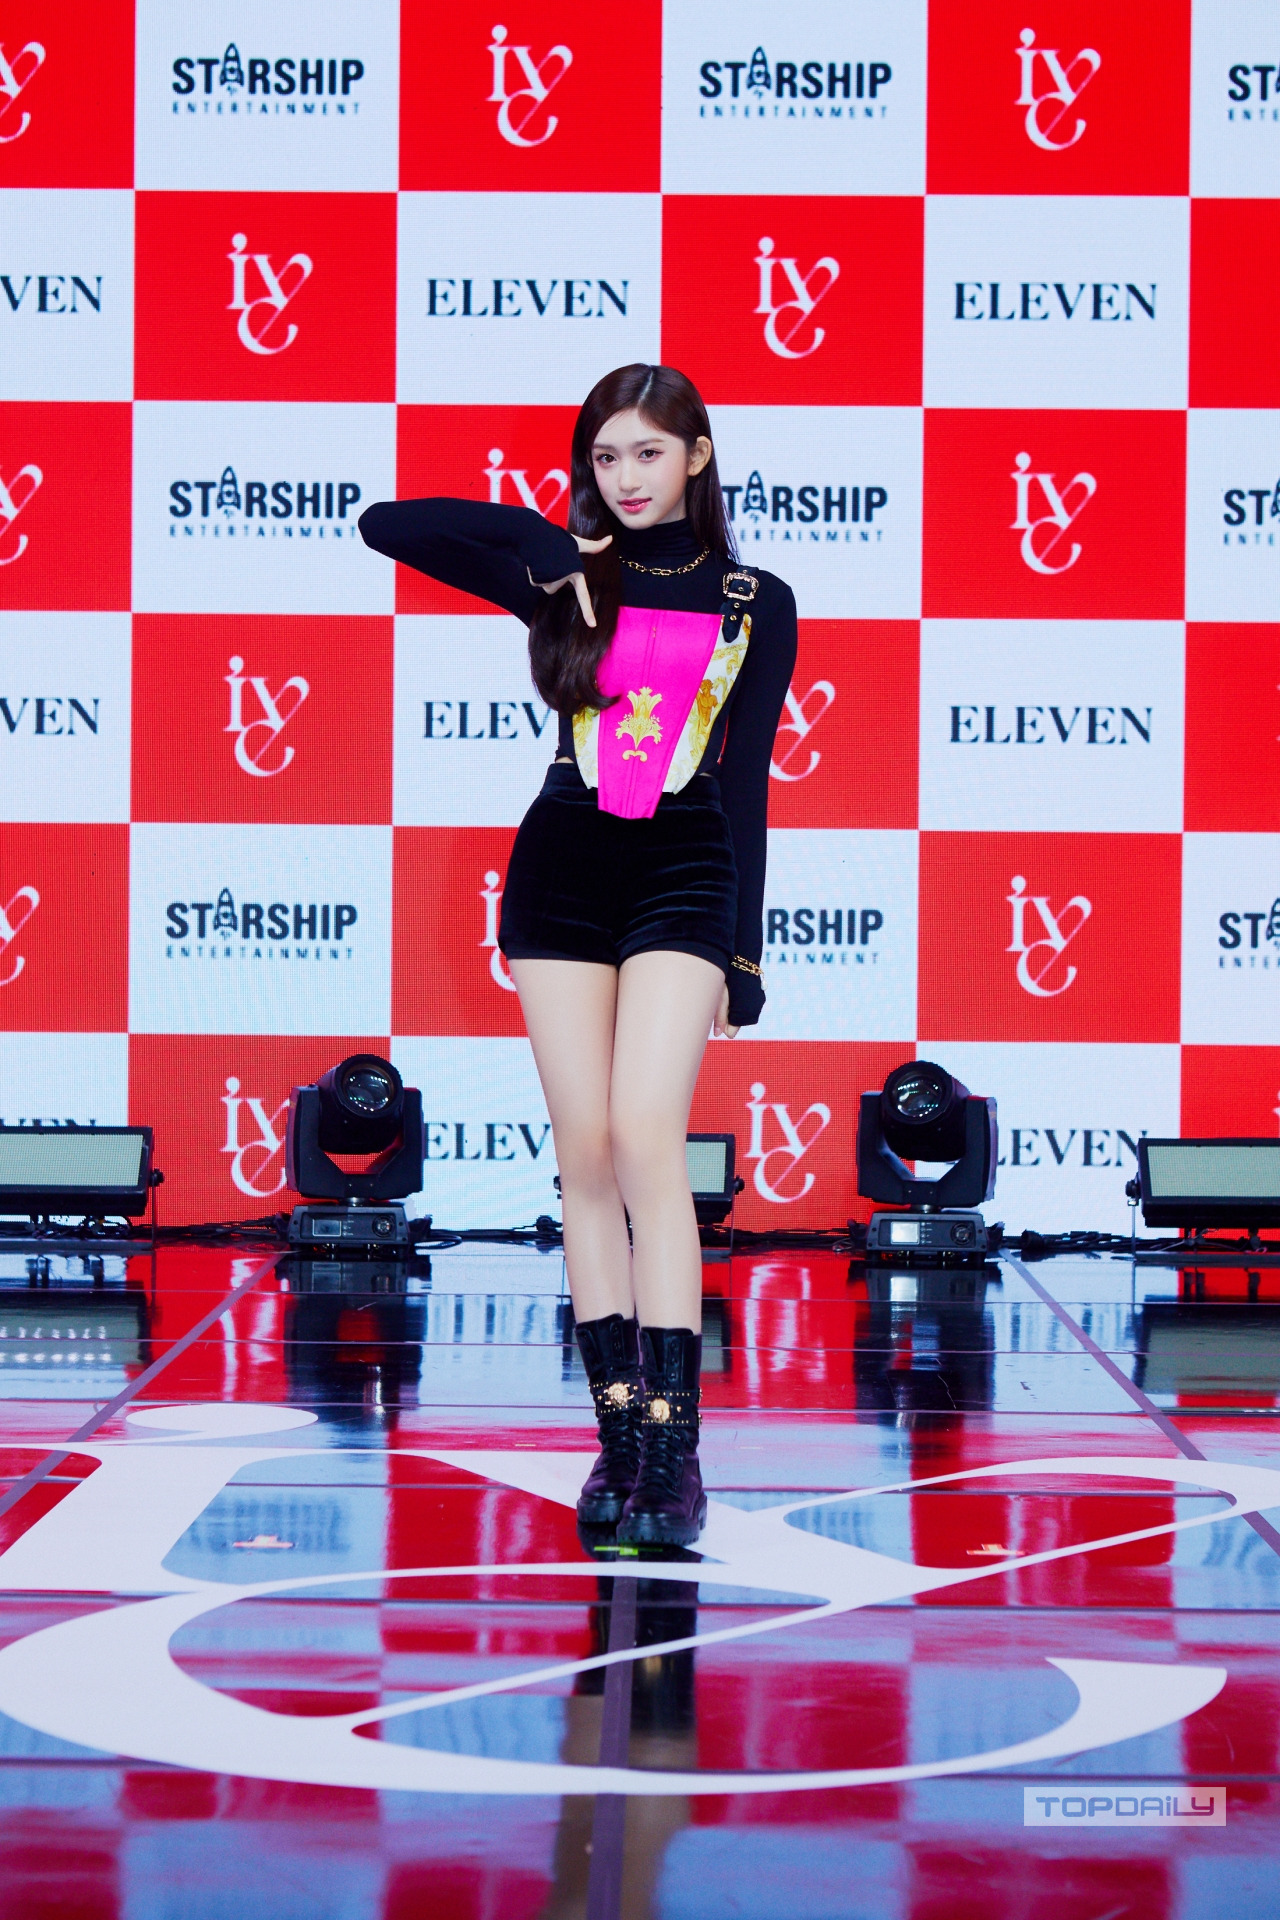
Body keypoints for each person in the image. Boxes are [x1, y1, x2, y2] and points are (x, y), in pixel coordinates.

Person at [360, 363, 796, 1546]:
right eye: (605, 457)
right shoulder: (569, 573)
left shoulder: (755, 598)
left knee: (647, 1137)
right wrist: (543, 544)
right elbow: (386, 525)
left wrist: (743, 957)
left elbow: (747, 780)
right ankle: (616, 1445)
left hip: (685, 865)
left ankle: (674, 1452)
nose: (627, 477)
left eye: (648, 452)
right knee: (586, 1159)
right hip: (560, 867)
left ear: (695, 456)